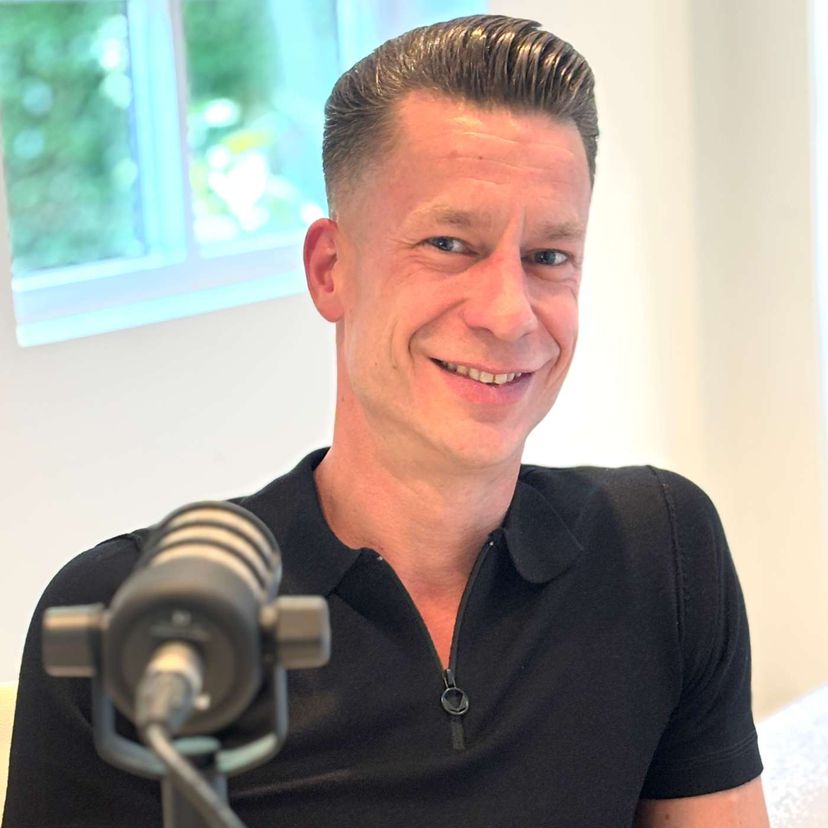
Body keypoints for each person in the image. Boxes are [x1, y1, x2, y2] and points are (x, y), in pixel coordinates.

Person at [3, 14, 769, 827]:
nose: (509, 313)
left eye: (549, 256)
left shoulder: (662, 553)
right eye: (449, 243)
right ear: (331, 270)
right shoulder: (128, 619)